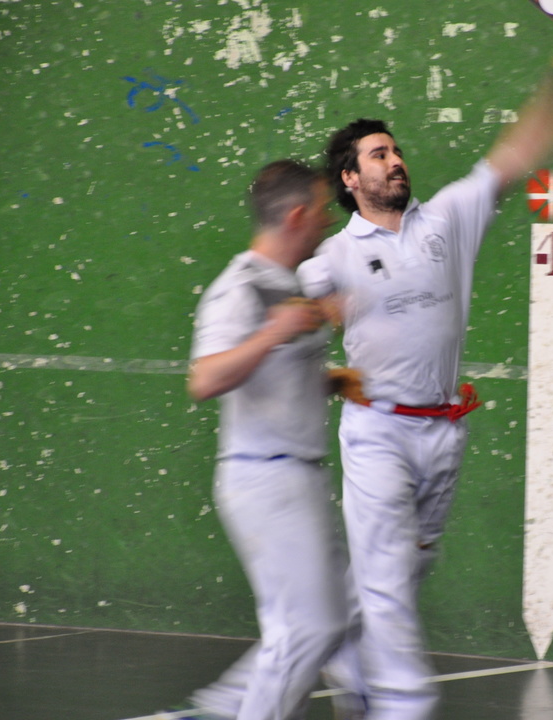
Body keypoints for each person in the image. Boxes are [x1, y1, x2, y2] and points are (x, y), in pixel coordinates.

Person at [296, 45, 553, 720]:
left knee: (409, 563)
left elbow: (510, 158)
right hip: (378, 430)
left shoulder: (447, 218)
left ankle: (340, 648)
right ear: (350, 178)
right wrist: (321, 365)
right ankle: (403, 703)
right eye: (378, 154)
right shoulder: (333, 256)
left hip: (443, 430)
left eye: (396, 150)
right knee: (386, 575)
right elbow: (298, 332)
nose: (395, 160)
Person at [182, 159, 353, 720]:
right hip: (264, 477)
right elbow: (205, 379)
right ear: (298, 216)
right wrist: (274, 332)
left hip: (301, 476)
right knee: (309, 628)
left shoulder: (288, 284)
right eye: (323, 209)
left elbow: (276, 377)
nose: (328, 220)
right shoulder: (238, 288)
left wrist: (334, 381)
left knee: (324, 624)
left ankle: (221, 709)